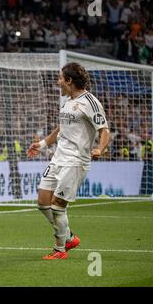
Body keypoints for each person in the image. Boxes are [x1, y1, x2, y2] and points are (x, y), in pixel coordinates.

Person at [27, 62, 110, 260]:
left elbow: (104, 130)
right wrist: (43, 144)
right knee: (42, 202)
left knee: (57, 205)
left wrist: (100, 148)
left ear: (69, 80)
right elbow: (61, 128)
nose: (58, 82)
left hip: (75, 161)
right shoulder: (67, 102)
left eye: (60, 78)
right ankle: (69, 236)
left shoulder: (90, 102)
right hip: (58, 158)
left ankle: (60, 249)